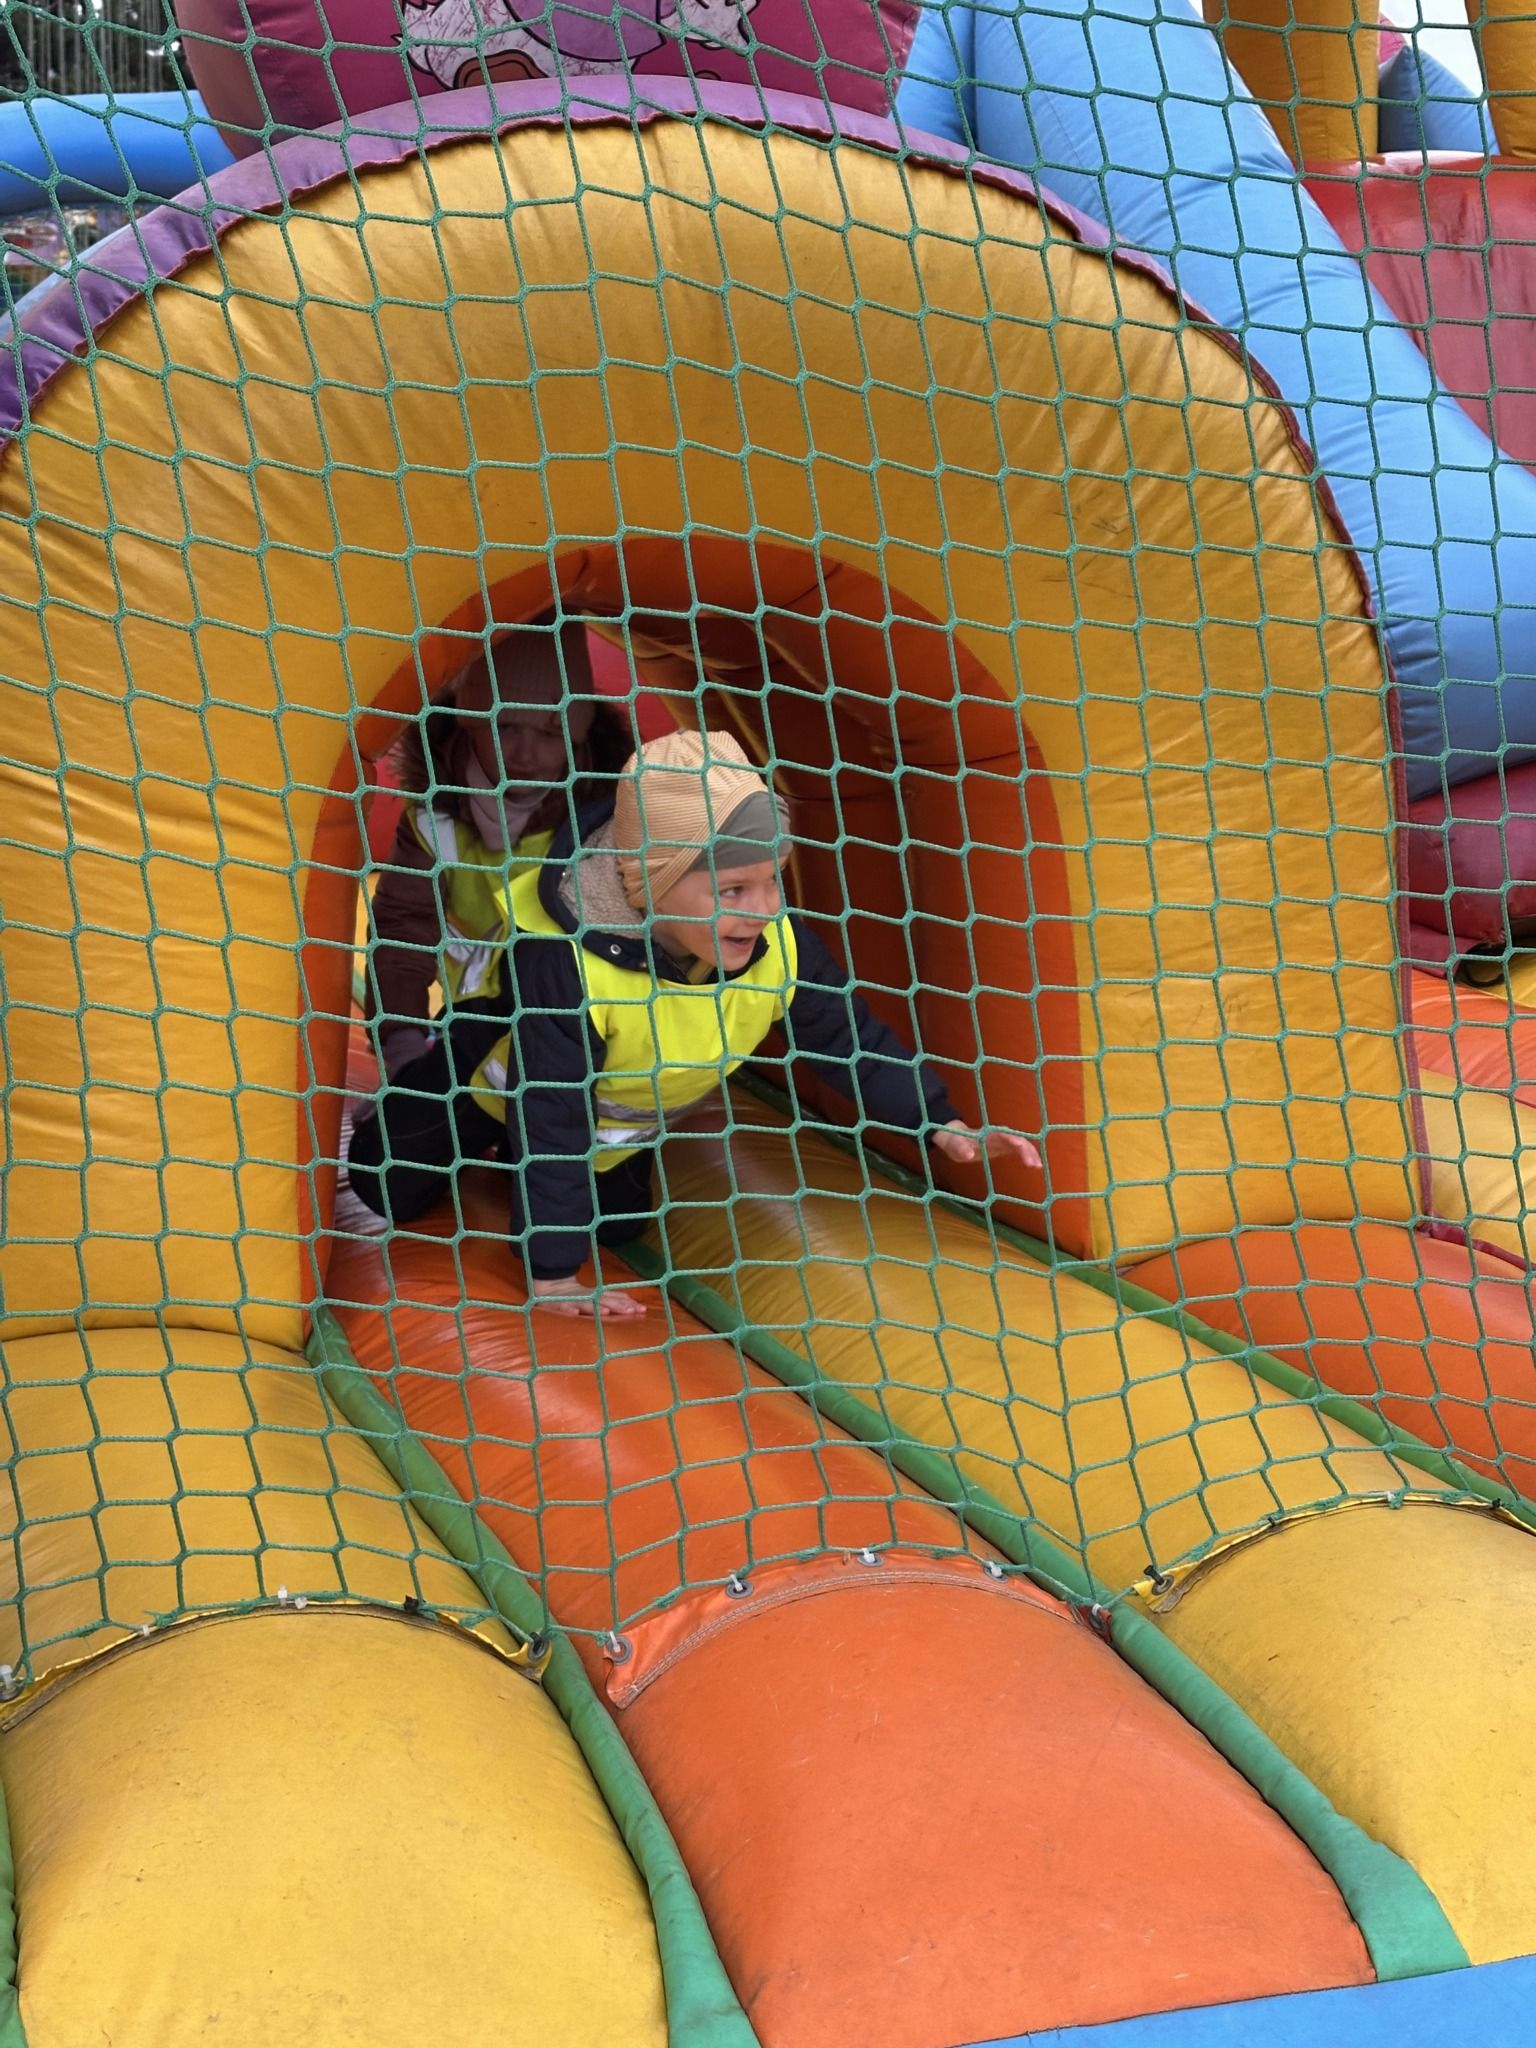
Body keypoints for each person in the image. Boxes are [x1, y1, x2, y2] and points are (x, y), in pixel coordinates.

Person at [347, 727, 1040, 1317]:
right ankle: (412, 1109)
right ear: (650, 885)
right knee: (386, 1183)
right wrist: (552, 1272)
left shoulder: (778, 946)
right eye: (734, 889)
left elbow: (848, 1038)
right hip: (486, 1082)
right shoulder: (566, 965)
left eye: (773, 879)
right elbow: (550, 1106)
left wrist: (940, 1124)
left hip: (614, 1118)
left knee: (618, 1227)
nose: (764, 909)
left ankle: (529, 1174)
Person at [366, 612, 633, 1079]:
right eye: (504, 726)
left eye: (549, 733)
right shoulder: (435, 817)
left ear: (577, 738)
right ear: (469, 723)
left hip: (572, 1025)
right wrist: (402, 1039)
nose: (524, 755)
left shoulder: (599, 816)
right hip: (472, 1020)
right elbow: (403, 930)